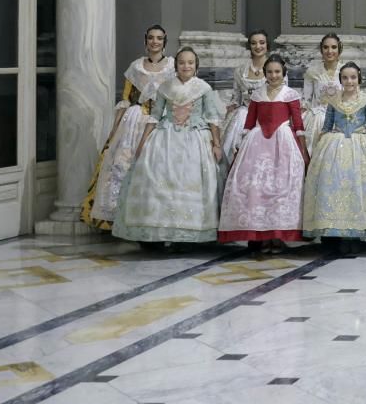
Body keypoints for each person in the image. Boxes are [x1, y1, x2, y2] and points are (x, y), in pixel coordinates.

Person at [113, 47, 225, 246]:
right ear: (176, 66)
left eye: (190, 62)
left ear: (196, 66)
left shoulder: (203, 88)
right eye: (182, 62)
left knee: (190, 179)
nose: (186, 66)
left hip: (195, 137)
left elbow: (212, 118)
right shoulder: (165, 87)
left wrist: (216, 144)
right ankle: (155, 231)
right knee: (156, 178)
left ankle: (187, 235)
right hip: (166, 137)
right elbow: (155, 115)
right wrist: (143, 142)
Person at [83, 24, 174, 228]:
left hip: (161, 119)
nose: (155, 42)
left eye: (159, 38)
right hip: (134, 121)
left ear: (164, 42)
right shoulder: (135, 67)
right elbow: (125, 99)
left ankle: (155, 218)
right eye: (151, 38)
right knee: (120, 165)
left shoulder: (172, 67)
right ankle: (121, 217)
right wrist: (114, 131)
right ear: (145, 41)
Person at [218, 54, 307, 251]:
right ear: (265, 74)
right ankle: (257, 234)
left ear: (283, 73)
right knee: (255, 187)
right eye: (269, 72)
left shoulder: (290, 94)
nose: (273, 75)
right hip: (257, 143)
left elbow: (298, 124)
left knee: (280, 186)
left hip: (283, 141)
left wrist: (303, 150)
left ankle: (277, 234)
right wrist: (241, 143)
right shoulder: (257, 95)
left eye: (277, 72)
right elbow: (249, 121)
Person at [302, 62, 366, 252]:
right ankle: (335, 233)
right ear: (340, 80)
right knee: (335, 187)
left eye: (353, 77)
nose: (349, 81)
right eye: (345, 78)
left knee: (357, 188)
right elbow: (327, 126)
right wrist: (319, 148)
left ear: (359, 78)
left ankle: (355, 234)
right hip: (335, 146)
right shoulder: (333, 101)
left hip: (360, 147)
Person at [220, 30, 270, 180]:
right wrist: (230, 110)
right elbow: (236, 96)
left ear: (267, 45)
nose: (258, 46)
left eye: (262, 42)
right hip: (244, 113)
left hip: (267, 114)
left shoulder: (275, 68)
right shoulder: (240, 70)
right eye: (254, 43)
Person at [300, 33, 344, 160]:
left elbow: (354, 96)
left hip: (341, 114)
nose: (330, 51)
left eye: (333, 47)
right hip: (318, 116)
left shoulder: (346, 70)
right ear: (321, 50)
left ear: (339, 49)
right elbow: (306, 100)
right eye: (326, 47)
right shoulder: (312, 72)